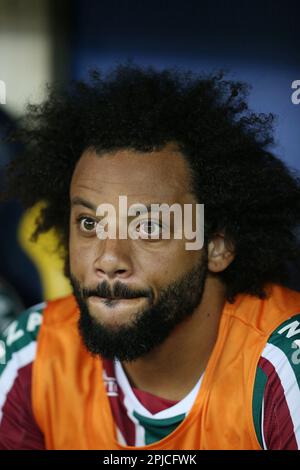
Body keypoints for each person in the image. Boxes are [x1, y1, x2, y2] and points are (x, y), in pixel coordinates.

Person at [0, 65, 300, 450]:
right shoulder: (33, 354)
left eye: (149, 227)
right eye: (90, 223)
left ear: (218, 245)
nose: (108, 259)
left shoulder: (284, 371)